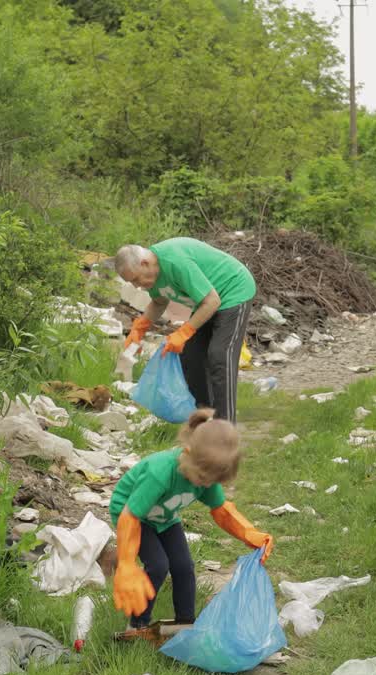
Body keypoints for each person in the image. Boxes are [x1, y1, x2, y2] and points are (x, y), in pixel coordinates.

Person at [110, 408, 274, 633]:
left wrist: (249, 534)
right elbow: (130, 516)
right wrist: (127, 564)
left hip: (165, 518)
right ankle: (137, 625)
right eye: (202, 479)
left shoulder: (204, 476)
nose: (205, 486)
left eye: (211, 482)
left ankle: (185, 624)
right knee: (158, 565)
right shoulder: (160, 474)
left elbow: (221, 510)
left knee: (184, 566)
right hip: (132, 516)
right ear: (187, 453)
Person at [116, 237, 256, 423]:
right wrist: (139, 328)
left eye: (135, 279)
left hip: (233, 290)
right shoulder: (152, 275)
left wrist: (183, 332)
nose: (136, 286)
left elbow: (212, 301)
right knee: (190, 354)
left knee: (220, 356)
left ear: (144, 263)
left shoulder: (174, 262)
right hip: (207, 300)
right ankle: (206, 419)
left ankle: (225, 430)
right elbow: (159, 302)